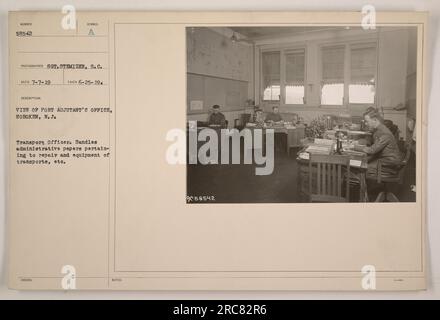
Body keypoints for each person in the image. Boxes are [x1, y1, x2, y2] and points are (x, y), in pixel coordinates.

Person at [354, 107, 402, 178]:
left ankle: (364, 187)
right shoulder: (378, 129)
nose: (366, 124)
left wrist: (354, 147)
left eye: (367, 121)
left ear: (375, 120)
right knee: (361, 162)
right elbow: (370, 142)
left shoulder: (384, 133)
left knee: (362, 167)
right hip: (383, 159)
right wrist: (358, 142)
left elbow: (372, 150)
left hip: (389, 164)